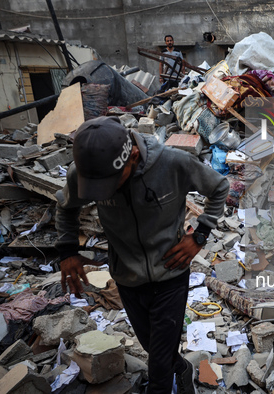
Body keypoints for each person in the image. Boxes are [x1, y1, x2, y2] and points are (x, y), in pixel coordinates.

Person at [55, 116, 229, 394]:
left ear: (133, 155)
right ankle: (182, 369)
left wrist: (199, 236)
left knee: (158, 363)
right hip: (127, 277)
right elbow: (66, 206)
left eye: (111, 182)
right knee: (154, 346)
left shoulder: (173, 164)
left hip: (171, 274)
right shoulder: (87, 172)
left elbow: (219, 187)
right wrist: (67, 251)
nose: (105, 191)